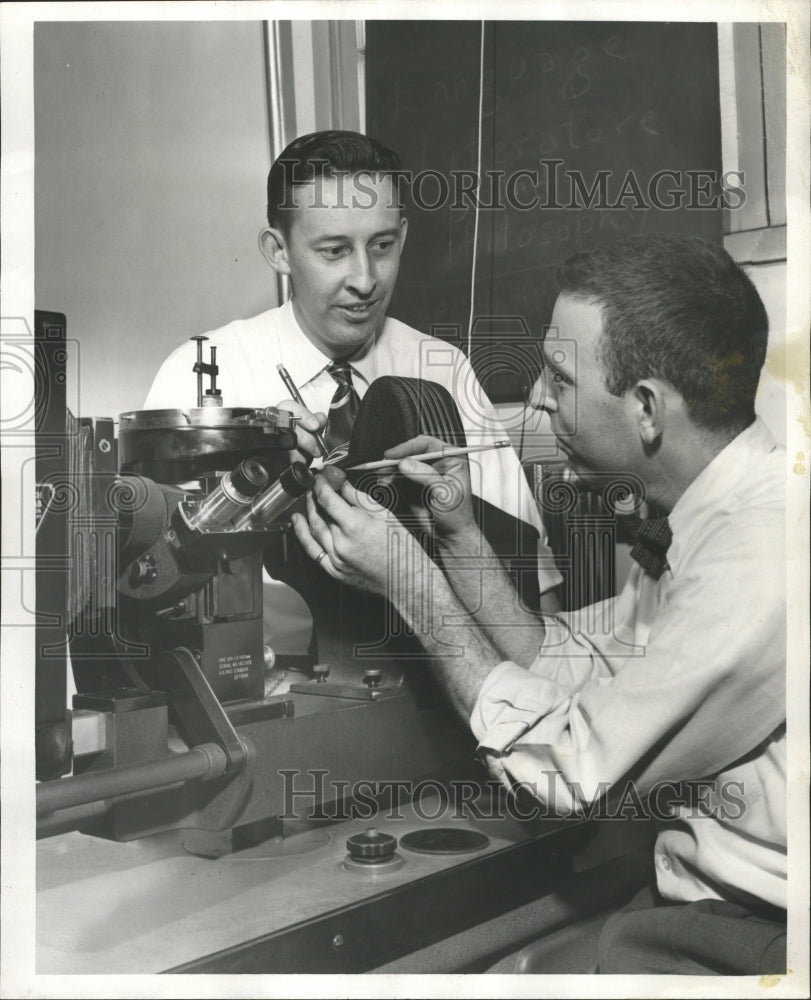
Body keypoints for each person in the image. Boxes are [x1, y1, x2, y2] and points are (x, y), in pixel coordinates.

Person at [292, 234, 787, 975]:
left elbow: (570, 769)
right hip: (693, 900)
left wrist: (409, 583)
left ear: (647, 407)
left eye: (559, 379)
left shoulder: (761, 552)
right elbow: (580, 668)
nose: (537, 400)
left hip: (758, 933)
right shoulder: (712, 512)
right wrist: (454, 535)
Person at [144, 131, 562, 647]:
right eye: (335, 250)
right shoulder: (202, 373)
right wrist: (259, 480)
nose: (365, 280)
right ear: (278, 251)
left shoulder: (442, 370)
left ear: (403, 237)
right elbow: (157, 588)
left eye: (382, 246)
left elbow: (530, 574)